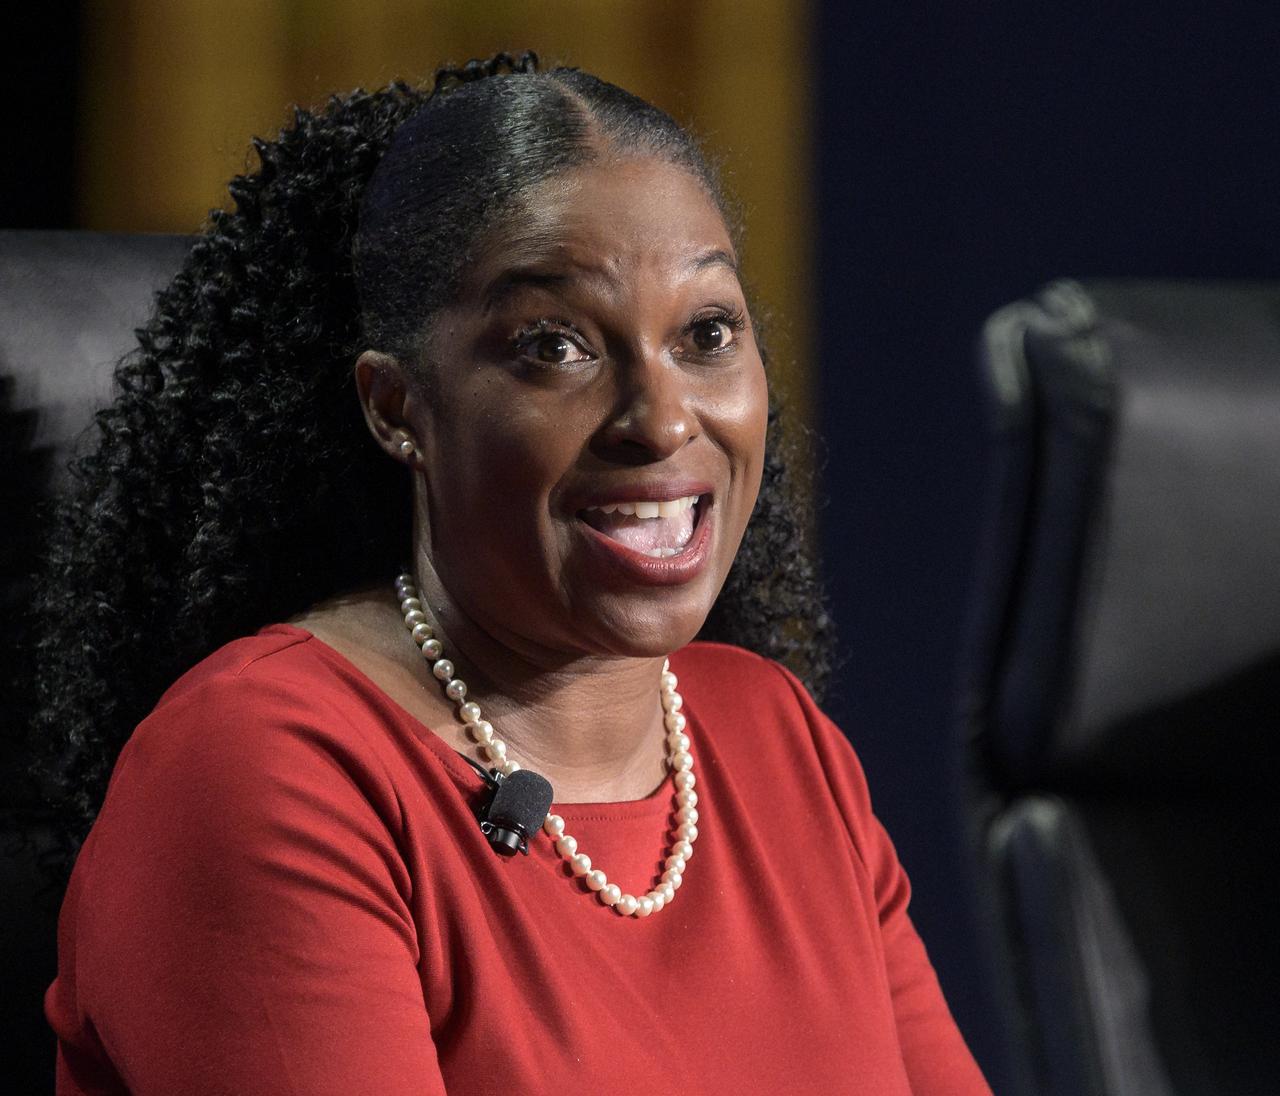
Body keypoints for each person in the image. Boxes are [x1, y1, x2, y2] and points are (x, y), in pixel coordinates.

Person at [37, 53, 991, 1094]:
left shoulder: (774, 741)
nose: (663, 418)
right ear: (397, 410)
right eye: (556, 347)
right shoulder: (265, 768)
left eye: (706, 334)